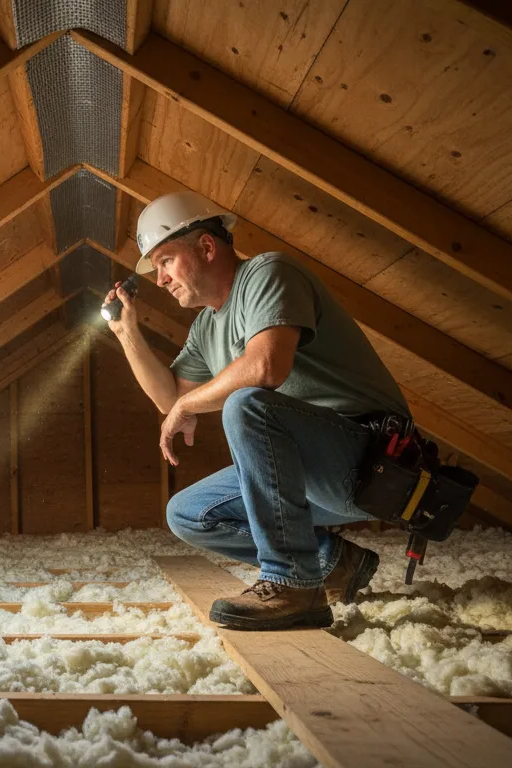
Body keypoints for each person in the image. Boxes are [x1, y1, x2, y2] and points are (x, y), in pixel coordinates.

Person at [104, 191, 411, 631]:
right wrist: (126, 333)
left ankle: (291, 584)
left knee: (247, 403)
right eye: (155, 268)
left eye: (166, 260)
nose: (160, 278)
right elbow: (172, 401)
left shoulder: (268, 273)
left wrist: (189, 404)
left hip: (372, 461)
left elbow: (266, 367)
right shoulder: (207, 326)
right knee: (187, 513)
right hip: (307, 473)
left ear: (206, 247)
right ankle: (333, 561)